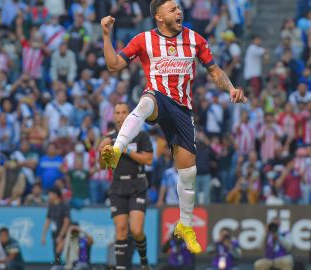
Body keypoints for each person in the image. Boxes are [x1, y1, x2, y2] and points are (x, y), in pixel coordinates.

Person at [100, 0, 247, 254]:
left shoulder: (195, 39)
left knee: (189, 170)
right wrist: (105, 35)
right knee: (147, 101)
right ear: (158, 17)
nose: (179, 12)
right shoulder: (143, 40)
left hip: (182, 109)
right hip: (157, 98)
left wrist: (231, 87)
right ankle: (116, 150)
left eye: (179, 8)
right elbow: (114, 66)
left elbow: (214, 71)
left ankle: (185, 225)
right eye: (172, 9)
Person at [98, 102, 154, 270]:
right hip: (117, 186)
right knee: (121, 230)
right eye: (117, 112)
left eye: (124, 112)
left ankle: (144, 261)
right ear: (113, 116)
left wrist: (126, 151)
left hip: (137, 184)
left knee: (136, 231)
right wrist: (103, 151)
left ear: (129, 115)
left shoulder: (140, 135)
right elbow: (102, 166)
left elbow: (149, 160)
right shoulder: (109, 138)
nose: (121, 115)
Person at [41, 187, 71, 265]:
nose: (49, 196)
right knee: (56, 254)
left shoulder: (64, 205)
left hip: (65, 234)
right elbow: (48, 221)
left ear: (55, 195)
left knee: (65, 252)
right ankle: (57, 266)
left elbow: (66, 222)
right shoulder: (51, 206)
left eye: (50, 194)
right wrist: (43, 235)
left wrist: (61, 236)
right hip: (55, 233)